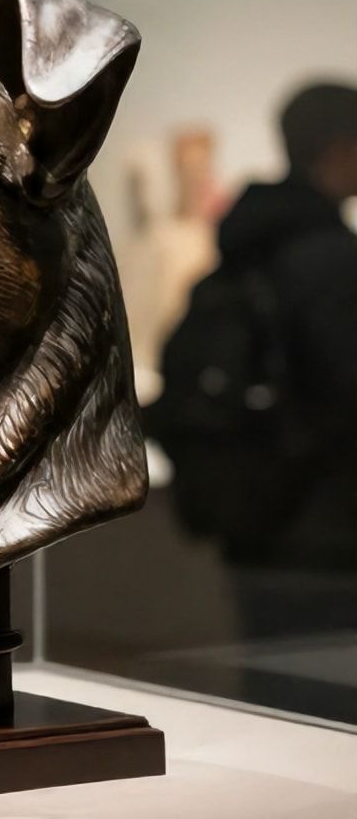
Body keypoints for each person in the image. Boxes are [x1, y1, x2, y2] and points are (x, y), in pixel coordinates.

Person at [150, 81, 357, 640]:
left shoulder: (244, 253)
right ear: (340, 149)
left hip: (255, 519)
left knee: (272, 687)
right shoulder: (331, 261)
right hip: (328, 528)